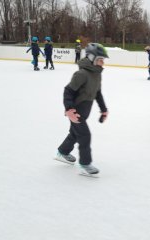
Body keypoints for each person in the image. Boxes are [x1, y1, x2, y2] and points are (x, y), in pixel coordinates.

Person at [55, 43, 109, 176]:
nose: (103, 62)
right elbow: (68, 91)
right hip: (76, 111)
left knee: (75, 134)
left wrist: (103, 109)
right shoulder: (81, 74)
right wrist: (69, 110)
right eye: (100, 59)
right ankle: (85, 164)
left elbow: (97, 93)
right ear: (92, 58)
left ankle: (62, 152)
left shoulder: (97, 74)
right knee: (85, 135)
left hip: (85, 110)